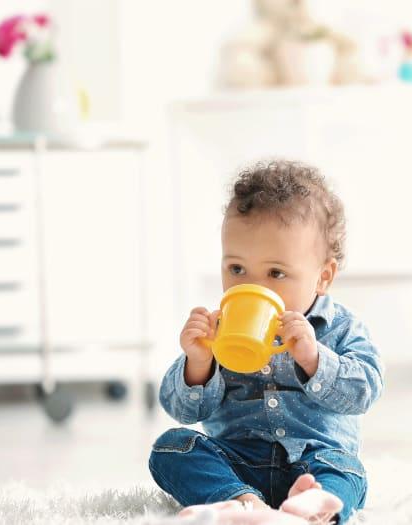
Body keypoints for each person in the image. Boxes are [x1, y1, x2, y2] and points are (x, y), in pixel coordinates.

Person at [149, 160, 384, 524]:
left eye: (276, 273)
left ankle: (313, 507)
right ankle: (243, 504)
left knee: (348, 471)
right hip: (238, 461)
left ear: (323, 277)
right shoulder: (220, 328)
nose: (252, 287)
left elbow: (365, 390)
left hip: (315, 461)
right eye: (237, 269)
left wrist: (314, 359)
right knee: (171, 447)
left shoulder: (341, 328)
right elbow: (181, 409)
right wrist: (198, 363)